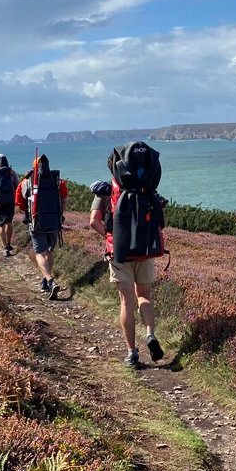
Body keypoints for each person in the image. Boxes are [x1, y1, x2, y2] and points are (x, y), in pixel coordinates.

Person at [89, 152, 164, 370]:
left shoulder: (106, 190)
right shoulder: (145, 186)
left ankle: (132, 352)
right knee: (145, 296)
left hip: (120, 255)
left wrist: (111, 238)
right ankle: (150, 334)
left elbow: (93, 221)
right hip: (145, 250)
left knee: (126, 303)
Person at [18, 153, 68, 299]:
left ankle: (50, 280)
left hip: (37, 221)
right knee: (50, 251)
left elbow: (20, 202)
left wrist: (28, 211)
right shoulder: (58, 181)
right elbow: (64, 198)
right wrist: (59, 213)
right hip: (54, 221)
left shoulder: (26, 182)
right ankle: (46, 280)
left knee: (40, 252)